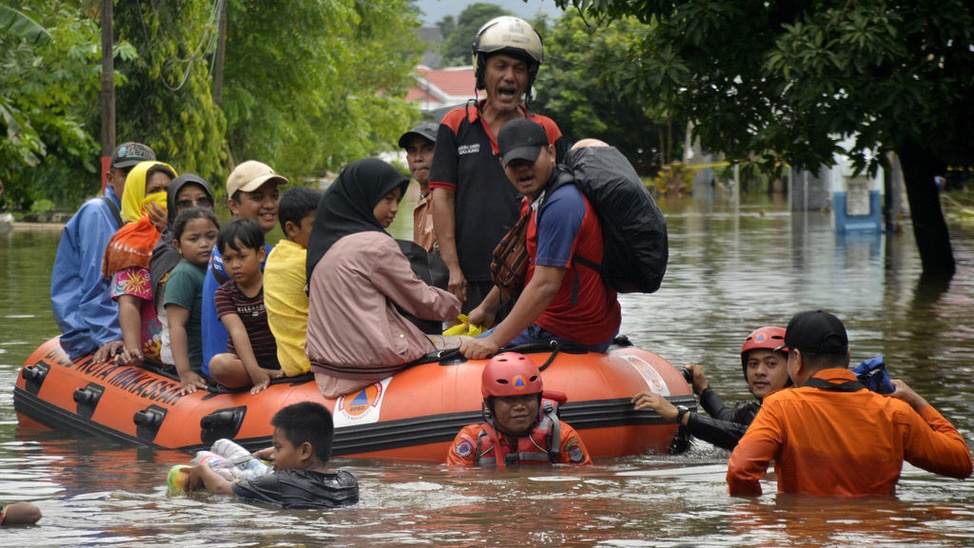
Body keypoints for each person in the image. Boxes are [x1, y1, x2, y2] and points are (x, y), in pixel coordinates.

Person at [727, 310, 973, 497]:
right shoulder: (895, 412)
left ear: (796, 359)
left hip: (804, 536)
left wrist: (763, 521)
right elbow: (961, 463)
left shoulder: (780, 407)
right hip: (881, 534)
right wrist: (917, 402)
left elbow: (740, 471)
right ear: (847, 357)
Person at [429, 16, 566, 314]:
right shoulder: (455, 124)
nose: (510, 77)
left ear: (529, 78)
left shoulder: (547, 131)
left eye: (519, 69)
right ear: (483, 72)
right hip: (469, 276)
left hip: (531, 279)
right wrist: (452, 268)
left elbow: (561, 204)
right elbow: (442, 197)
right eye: (500, 66)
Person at [460, 120, 621, 360]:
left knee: (460, 356)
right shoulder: (537, 199)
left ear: (551, 154)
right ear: (503, 165)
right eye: (514, 163)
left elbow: (545, 285)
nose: (523, 170)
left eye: (530, 160)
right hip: (559, 323)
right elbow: (525, 263)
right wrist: (487, 307)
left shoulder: (563, 204)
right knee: (462, 344)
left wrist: (494, 341)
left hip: (572, 332)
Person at [305, 158, 462, 398]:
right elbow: (421, 301)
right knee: (472, 345)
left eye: (397, 200)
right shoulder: (376, 244)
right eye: (387, 199)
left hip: (329, 370)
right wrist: (456, 305)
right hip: (369, 366)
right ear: (365, 196)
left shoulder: (323, 245)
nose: (395, 208)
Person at [51, 141, 157, 361]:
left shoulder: (144, 218)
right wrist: (110, 337)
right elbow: (96, 283)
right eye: (126, 174)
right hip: (87, 330)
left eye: (141, 175)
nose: (132, 182)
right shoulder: (98, 213)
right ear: (110, 178)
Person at [632, 326, 792, 450]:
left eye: (771, 364)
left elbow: (745, 436)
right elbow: (729, 423)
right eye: (753, 364)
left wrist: (680, 415)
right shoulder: (758, 412)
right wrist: (704, 391)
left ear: (793, 366)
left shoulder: (791, 410)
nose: (759, 372)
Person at [183, 401, 359, 509]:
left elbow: (220, 489)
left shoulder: (281, 481)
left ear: (305, 451)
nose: (274, 456)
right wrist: (263, 453)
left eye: (278, 448)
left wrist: (202, 469)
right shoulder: (347, 480)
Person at [201, 161, 288, 372]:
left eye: (274, 196)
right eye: (258, 197)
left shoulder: (254, 249)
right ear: (233, 206)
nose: (270, 204)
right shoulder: (236, 257)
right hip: (234, 368)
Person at [446, 352, 592, 468]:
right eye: (508, 400)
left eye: (527, 398)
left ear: (538, 399)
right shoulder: (471, 439)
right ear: (490, 404)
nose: (520, 407)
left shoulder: (561, 436)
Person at [101, 161, 177, 366]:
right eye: (154, 191)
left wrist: (171, 231)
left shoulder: (190, 231)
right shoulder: (132, 241)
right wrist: (132, 349)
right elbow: (129, 302)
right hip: (157, 345)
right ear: (136, 196)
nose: (162, 196)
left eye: (168, 190)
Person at [208, 218, 283, 394]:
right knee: (219, 365)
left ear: (260, 254)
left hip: (281, 357)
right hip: (245, 362)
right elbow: (237, 331)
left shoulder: (276, 284)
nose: (235, 265)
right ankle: (268, 373)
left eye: (242, 257)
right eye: (228, 259)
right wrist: (255, 372)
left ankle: (278, 371)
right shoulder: (224, 294)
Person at [148, 174, 216, 365]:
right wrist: (185, 372)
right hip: (185, 363)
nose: (195, 208)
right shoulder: (170, 259)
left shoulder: (222, 250)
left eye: (202, 201)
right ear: (172, 210)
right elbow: (176, 325)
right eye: (185, 204)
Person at [264, 186, 320, 377]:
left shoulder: (275, 255)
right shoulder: (307, 261)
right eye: (316, 225)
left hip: (290, 364)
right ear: (291, 228)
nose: (325, 230)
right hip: (313, 363)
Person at [164, 207, 220, 394]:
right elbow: (176, 326)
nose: (204, 244)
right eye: (193, 239)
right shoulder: (183, 275)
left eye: (211, 236)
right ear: (178, 245)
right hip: (200, 367)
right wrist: (186, 372)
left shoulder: (219, 270)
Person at [398, 121, 439, 252]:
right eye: (412, 150)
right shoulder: (424, 197)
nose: (418, 158)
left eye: (427, 149)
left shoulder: (446, 198)